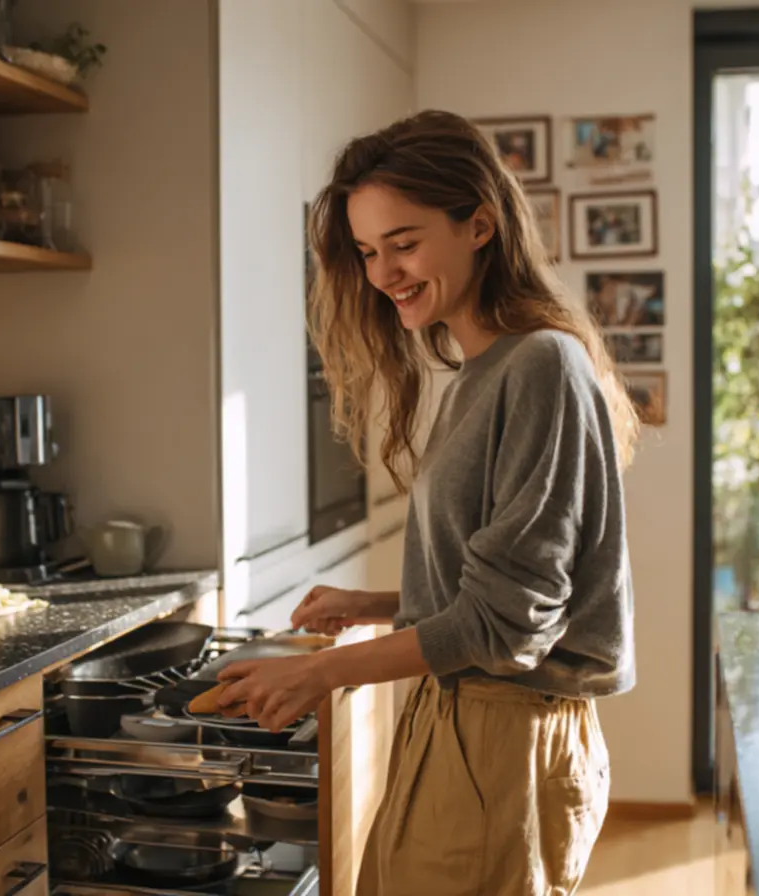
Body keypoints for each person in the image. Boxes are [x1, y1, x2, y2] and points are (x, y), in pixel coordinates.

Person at [215, 108, 640, 896]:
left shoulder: (540, 366)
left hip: (500, 739)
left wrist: (328, 674)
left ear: (479, 225)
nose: (383, 274)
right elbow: (496, 587)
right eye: (368, 251)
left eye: (404, 244)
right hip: (460, 721)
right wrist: (380, 600)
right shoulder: (481, 372)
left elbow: (511, 623)